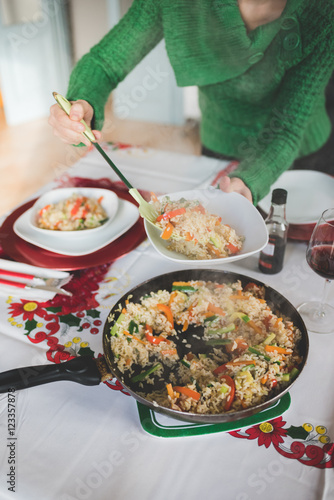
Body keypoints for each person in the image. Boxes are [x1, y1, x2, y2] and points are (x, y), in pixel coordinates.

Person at [49, 0, 334, 205]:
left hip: (304, 155)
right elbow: (105, 63)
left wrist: (251, 180)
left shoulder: (323, 10)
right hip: (219, 143)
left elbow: (287, 127)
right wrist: (80, 104)